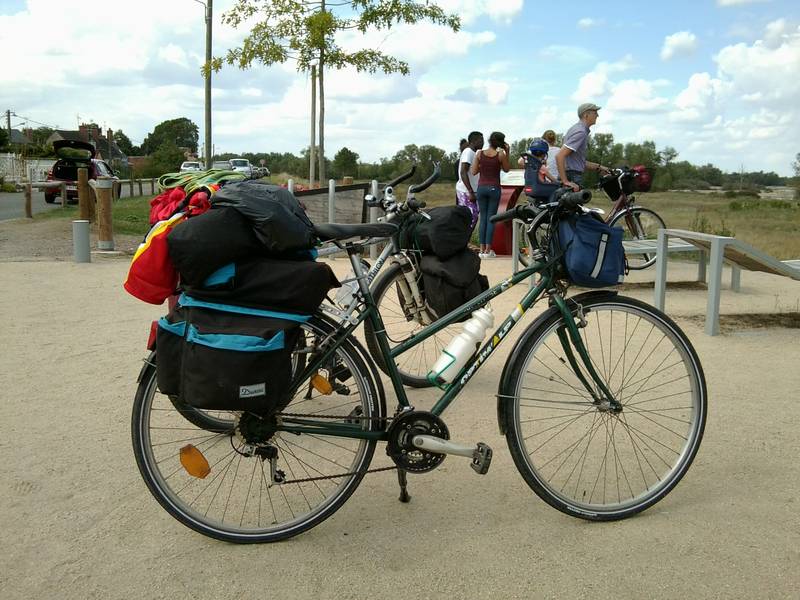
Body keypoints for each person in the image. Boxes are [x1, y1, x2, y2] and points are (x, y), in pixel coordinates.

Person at [470, 131, 510, 258]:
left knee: (483, 219)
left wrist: (482, 164)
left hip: (481, 188)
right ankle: (488, 249)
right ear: (501, 142)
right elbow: (507, 169)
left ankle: (481, 250)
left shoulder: (479, 153)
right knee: (491, 219)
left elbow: (474, 171)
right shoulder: (501, 154)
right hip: (494, 188)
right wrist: (507, 152)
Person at [556, 103, 610, 191]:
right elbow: (559, 156)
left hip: (571, 174)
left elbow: (577, 162)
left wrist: (599, 167)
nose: (597, 115)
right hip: (572, 176)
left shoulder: (575, 129)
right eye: (595, 112)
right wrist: (565, 181)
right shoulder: (580, 132)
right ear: (586, 115)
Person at [455, 131, 483, 228]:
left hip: (473, 191)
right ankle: (462, 241)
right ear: (474, 141)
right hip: (466, 191)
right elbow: (463, 172)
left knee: (473, 218)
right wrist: (470, 192)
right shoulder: (468, 152)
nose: (483, 143)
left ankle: (464, 241)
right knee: (470, 218)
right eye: (481, 141)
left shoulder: (474, 153)